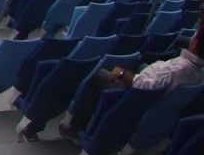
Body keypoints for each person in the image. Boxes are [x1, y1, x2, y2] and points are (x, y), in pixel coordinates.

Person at [59, 12, 204, 139]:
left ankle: (76, 126)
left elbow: (143, 86)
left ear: (195, 43)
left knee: (101, 74)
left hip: (137, 98)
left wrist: (122, 74)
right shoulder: (197, 71)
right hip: (156, 89)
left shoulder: (177, 68)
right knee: (140, 65)